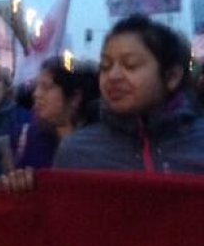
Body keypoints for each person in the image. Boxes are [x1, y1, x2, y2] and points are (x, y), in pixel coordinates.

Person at [55, 15, 204, 172]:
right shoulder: (77, 152)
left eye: (130, 65)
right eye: (105, 66)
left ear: (172, 76)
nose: (113, 76)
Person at [14, 58, 90, 168]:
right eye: (36, 87)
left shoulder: (93, 145)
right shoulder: (25, 139)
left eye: (46, 87)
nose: (36, 94)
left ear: (75, 98)